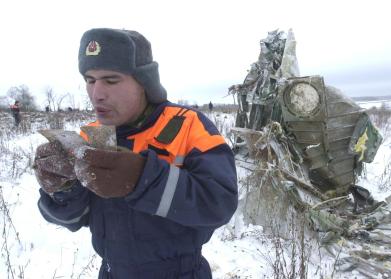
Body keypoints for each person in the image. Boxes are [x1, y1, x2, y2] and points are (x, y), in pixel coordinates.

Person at [33, 28, 238, 279]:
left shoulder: (187, 125)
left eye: (111, 80)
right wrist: (61, 189)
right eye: (90, 80)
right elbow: (76, 219)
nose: (97, 93)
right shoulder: (92, 136)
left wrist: (143, 179)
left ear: (143, 82)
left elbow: (220, 205)